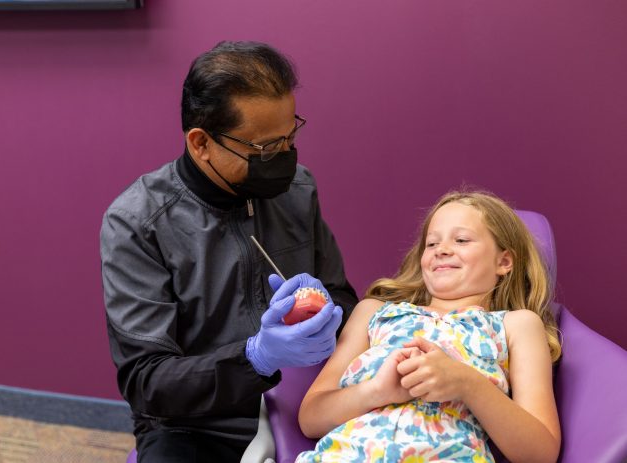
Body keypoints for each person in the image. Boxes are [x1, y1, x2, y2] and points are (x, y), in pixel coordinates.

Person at [99, 41, 358, 463]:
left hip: (305, 400)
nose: (285, 158)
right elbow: (148, 382)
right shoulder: (138, 222)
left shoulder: (298, 191)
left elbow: (342, 297)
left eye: (290, 137)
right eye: (263, 150)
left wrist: (327, 314)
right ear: (201, 143)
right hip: (196, 423)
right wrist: (257, 356)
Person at [296, 191, 562, 462]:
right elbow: (311, 418)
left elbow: (540, 453)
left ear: (503, 261)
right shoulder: (375, 312)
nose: (442, 250)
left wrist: (467, 384)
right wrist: (376, 391)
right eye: (432, 244)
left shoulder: (516, 325)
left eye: (461, 240)